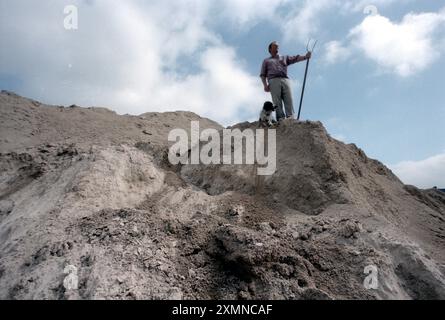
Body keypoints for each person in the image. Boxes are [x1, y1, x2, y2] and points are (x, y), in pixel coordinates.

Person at [260, 41, 311, 121]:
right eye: (275, 46)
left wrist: (305, 57)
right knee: (277, 101)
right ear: (270, 49)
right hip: (273, 80)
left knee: (289, 99)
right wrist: (265, 85)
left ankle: (290, 118)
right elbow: (263, 74)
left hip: (285, 79)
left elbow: (295, 58)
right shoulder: (266, 61)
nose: (277, 47)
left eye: (277, 46)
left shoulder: (284, 57)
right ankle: (280, 119)